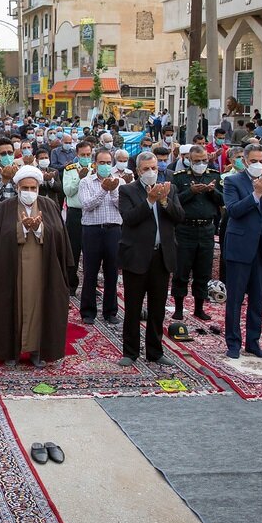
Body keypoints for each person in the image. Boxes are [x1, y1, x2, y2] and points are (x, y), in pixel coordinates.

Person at [0, 165, 74, 367]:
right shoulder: (5, 208)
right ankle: (10, 351)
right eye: (25, 188)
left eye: (33, 188)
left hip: (43, 269)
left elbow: (59, 237)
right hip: (11, 269)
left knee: (40, 307)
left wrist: (40, 229)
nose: (29, 192)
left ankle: (37, 351)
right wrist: (22, 227)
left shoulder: (49, 206)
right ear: (17, 188)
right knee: (10, 306)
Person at [118, 152, 184, 367]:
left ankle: (155, 351)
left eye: (154, 168)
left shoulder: (169, 189)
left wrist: (164, 201)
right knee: (134, 307)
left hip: (162, 256)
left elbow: (179, 217)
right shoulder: (127, 190)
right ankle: (130, 351)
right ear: (138, 171)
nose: (151, 172)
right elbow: (129, 218)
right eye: (146, 169)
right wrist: (150, 200)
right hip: (136, 256)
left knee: (157, 308)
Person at [221, 145, 262, 358]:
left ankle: (253, 342)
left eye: (261, 160)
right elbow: (233, 211)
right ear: (246, 162)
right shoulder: (232, 181)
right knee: (235, 298)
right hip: (240, 247)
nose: (258, 164)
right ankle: (233, 342)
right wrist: (256, 194)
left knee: (258, 298)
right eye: (254, 161)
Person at [172, 143, 223, 321]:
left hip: (207, 229)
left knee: (203, 271)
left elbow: (223, 200)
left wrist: (212, 191)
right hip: (185, 228)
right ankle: (178, 307)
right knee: (182, 270)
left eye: (203, 160)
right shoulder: (179, 178)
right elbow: (173, 202)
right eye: (196, 161)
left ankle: (199, 307)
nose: (200, 163)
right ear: (189, 160)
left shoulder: (215, 176)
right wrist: (191, 192)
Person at [79, 148, 125, 325]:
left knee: (112, 272)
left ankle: (110, 311)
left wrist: (112, 190)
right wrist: (103, 190)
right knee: (90, 271)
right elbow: (87, 205)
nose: (105, 166)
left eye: (108, 163)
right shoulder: (86, 182)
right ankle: (88, 311)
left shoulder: (119, 181)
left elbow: (121, 205)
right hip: (92, 230)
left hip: (113, 230)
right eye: (101, 163)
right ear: (95, 163)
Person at [61, 141, 93, 295]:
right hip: (75, 213)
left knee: (91, 251)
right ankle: (71, 284)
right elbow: (67, 191)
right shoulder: (70, 170)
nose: (86, 158)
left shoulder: (96, 169)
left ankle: (90, 284)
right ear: (77, 155)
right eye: (83, 155)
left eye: (88, 155)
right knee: (73, 250)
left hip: (92, 212)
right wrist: (79, 179)